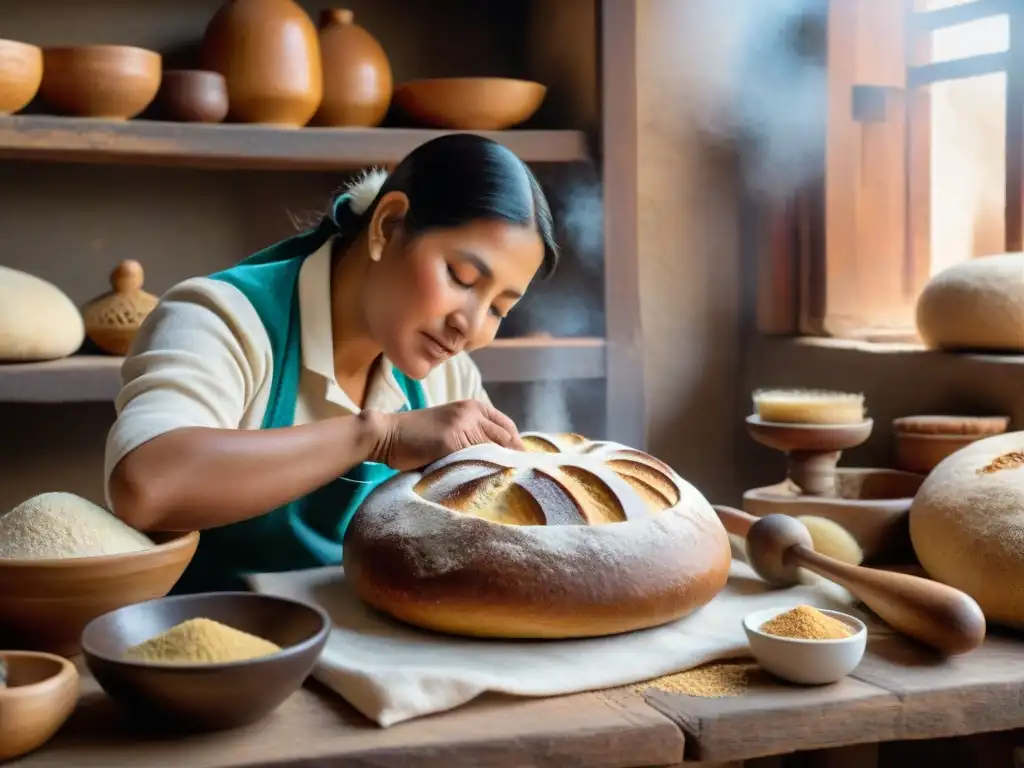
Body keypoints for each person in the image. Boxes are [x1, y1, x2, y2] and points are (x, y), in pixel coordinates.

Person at [104, 133, 559, 593]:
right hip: (212, 644)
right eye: (461, 277)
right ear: (388, 225)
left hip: (368, 647)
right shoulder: (223, 318)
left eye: (500, 308)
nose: (470, 325)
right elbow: (146, 487)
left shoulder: (447, 374)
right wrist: (378, 437)